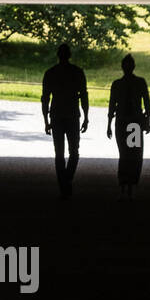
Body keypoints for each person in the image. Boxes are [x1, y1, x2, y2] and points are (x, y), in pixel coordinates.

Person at [41, 43, 89, 198]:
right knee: (74, 152)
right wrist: (86, 117)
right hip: (73, 115)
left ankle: (63, 183)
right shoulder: (77, 72)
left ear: (58, 55)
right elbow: (84, 96)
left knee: (59, 152)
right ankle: (67, 179)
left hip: (56, 115)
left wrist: (45, 120)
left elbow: (45, 99)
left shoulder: (50, 73)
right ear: (69, 55)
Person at [107, 54, 150, 199]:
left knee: (124, 153)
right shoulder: (140, 82)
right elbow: (147, 102)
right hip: (135, 122)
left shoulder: (117, 84)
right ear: (133, 67)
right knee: (135, 154)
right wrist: (147, 120)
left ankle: (124, 181)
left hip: (121, 122)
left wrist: (108, 125)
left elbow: (112, 106)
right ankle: (131, 182)